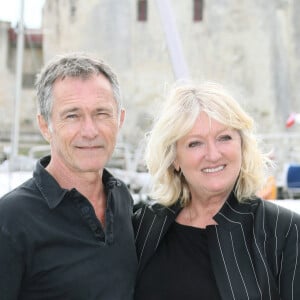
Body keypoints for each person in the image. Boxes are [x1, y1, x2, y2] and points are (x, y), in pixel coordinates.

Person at [133, 82, 300, 300]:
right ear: (174, 158)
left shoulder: (284, 230)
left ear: (241, 145)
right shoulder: (143, 225)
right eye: (195, 143)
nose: (213, 154)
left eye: (224, 138)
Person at [0, 53, 137, 299]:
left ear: (120, 120)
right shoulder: (10, 219)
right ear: (45, 126)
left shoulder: (122, 198)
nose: (89, 130)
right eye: (72, 115)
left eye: (101, 113)